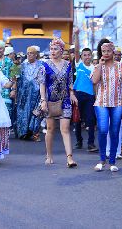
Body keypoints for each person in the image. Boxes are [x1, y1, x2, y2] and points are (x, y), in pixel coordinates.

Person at [92, 41, 122, 172]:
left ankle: (112, 161)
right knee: (103, 129)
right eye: (103, 51)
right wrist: (99, 65)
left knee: (115, 131)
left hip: (118, 103)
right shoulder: (98, 66)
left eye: (108, 51)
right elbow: (94, 81)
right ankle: (101, 160)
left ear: (113, 52)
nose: (106, 54)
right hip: (101, 102)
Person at [39, 38, 78, 168]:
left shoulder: (67, 64)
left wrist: (72, 94)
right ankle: (49, 155)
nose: (53, 51)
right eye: (51, 49)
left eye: (56, 49)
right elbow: (42, 84)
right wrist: (43, 100)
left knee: (65, 129)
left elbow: (70, 81)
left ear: (61, 51)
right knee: (50, 129)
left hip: (65, 100)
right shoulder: (44, 65)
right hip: (50, 100)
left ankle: (70, 158)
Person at [72, 27, 97, 152]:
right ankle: (79, 141)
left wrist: (97, 97)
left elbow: (96, 84)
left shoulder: (95, 68)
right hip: (78, 94)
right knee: (77, 119)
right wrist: (76, 35)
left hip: (90, 96)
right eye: (84, 55)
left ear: (92, 56)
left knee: (91, 120)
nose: (87, 57)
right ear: (81, 56)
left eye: (89, 55)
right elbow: (76, 49)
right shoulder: (79, 64)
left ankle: (91, 143)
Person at [15, 46, 43, 141]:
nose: (29, 55)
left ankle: (35, 134)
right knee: (23, 113)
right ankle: (23, 132)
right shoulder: (21, 65)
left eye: (31, 53)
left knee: (36, 113)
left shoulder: (41, 65)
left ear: (36, 55)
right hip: (23, 94)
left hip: (36, 94)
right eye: (28, 53)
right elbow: (14, 77)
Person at [0, 40, 15, 121]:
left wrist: (13, 90)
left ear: (4, 49)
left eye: (0, 48)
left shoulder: (10, 61)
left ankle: (5, 133)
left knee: (6, 114)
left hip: (6, 92)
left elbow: (15, 77)